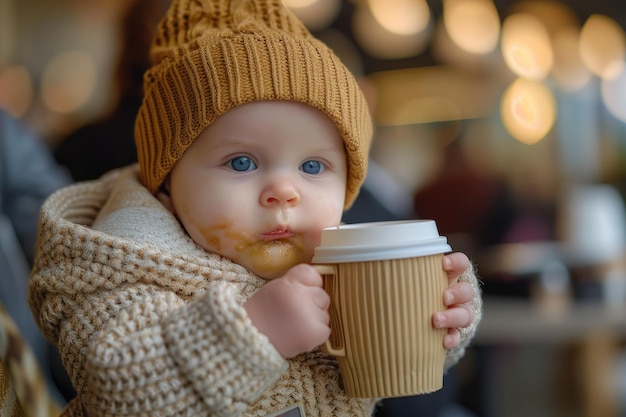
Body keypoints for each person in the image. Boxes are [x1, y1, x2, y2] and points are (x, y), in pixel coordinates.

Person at [28, 1, 483, 416]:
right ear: (165, 181)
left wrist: (440, 315)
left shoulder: (331, 262)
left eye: (312, 165)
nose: (284, 192)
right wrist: (254, 332)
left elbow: (377, 367)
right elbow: (120, 393)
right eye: (241, 162)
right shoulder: (122, 263)